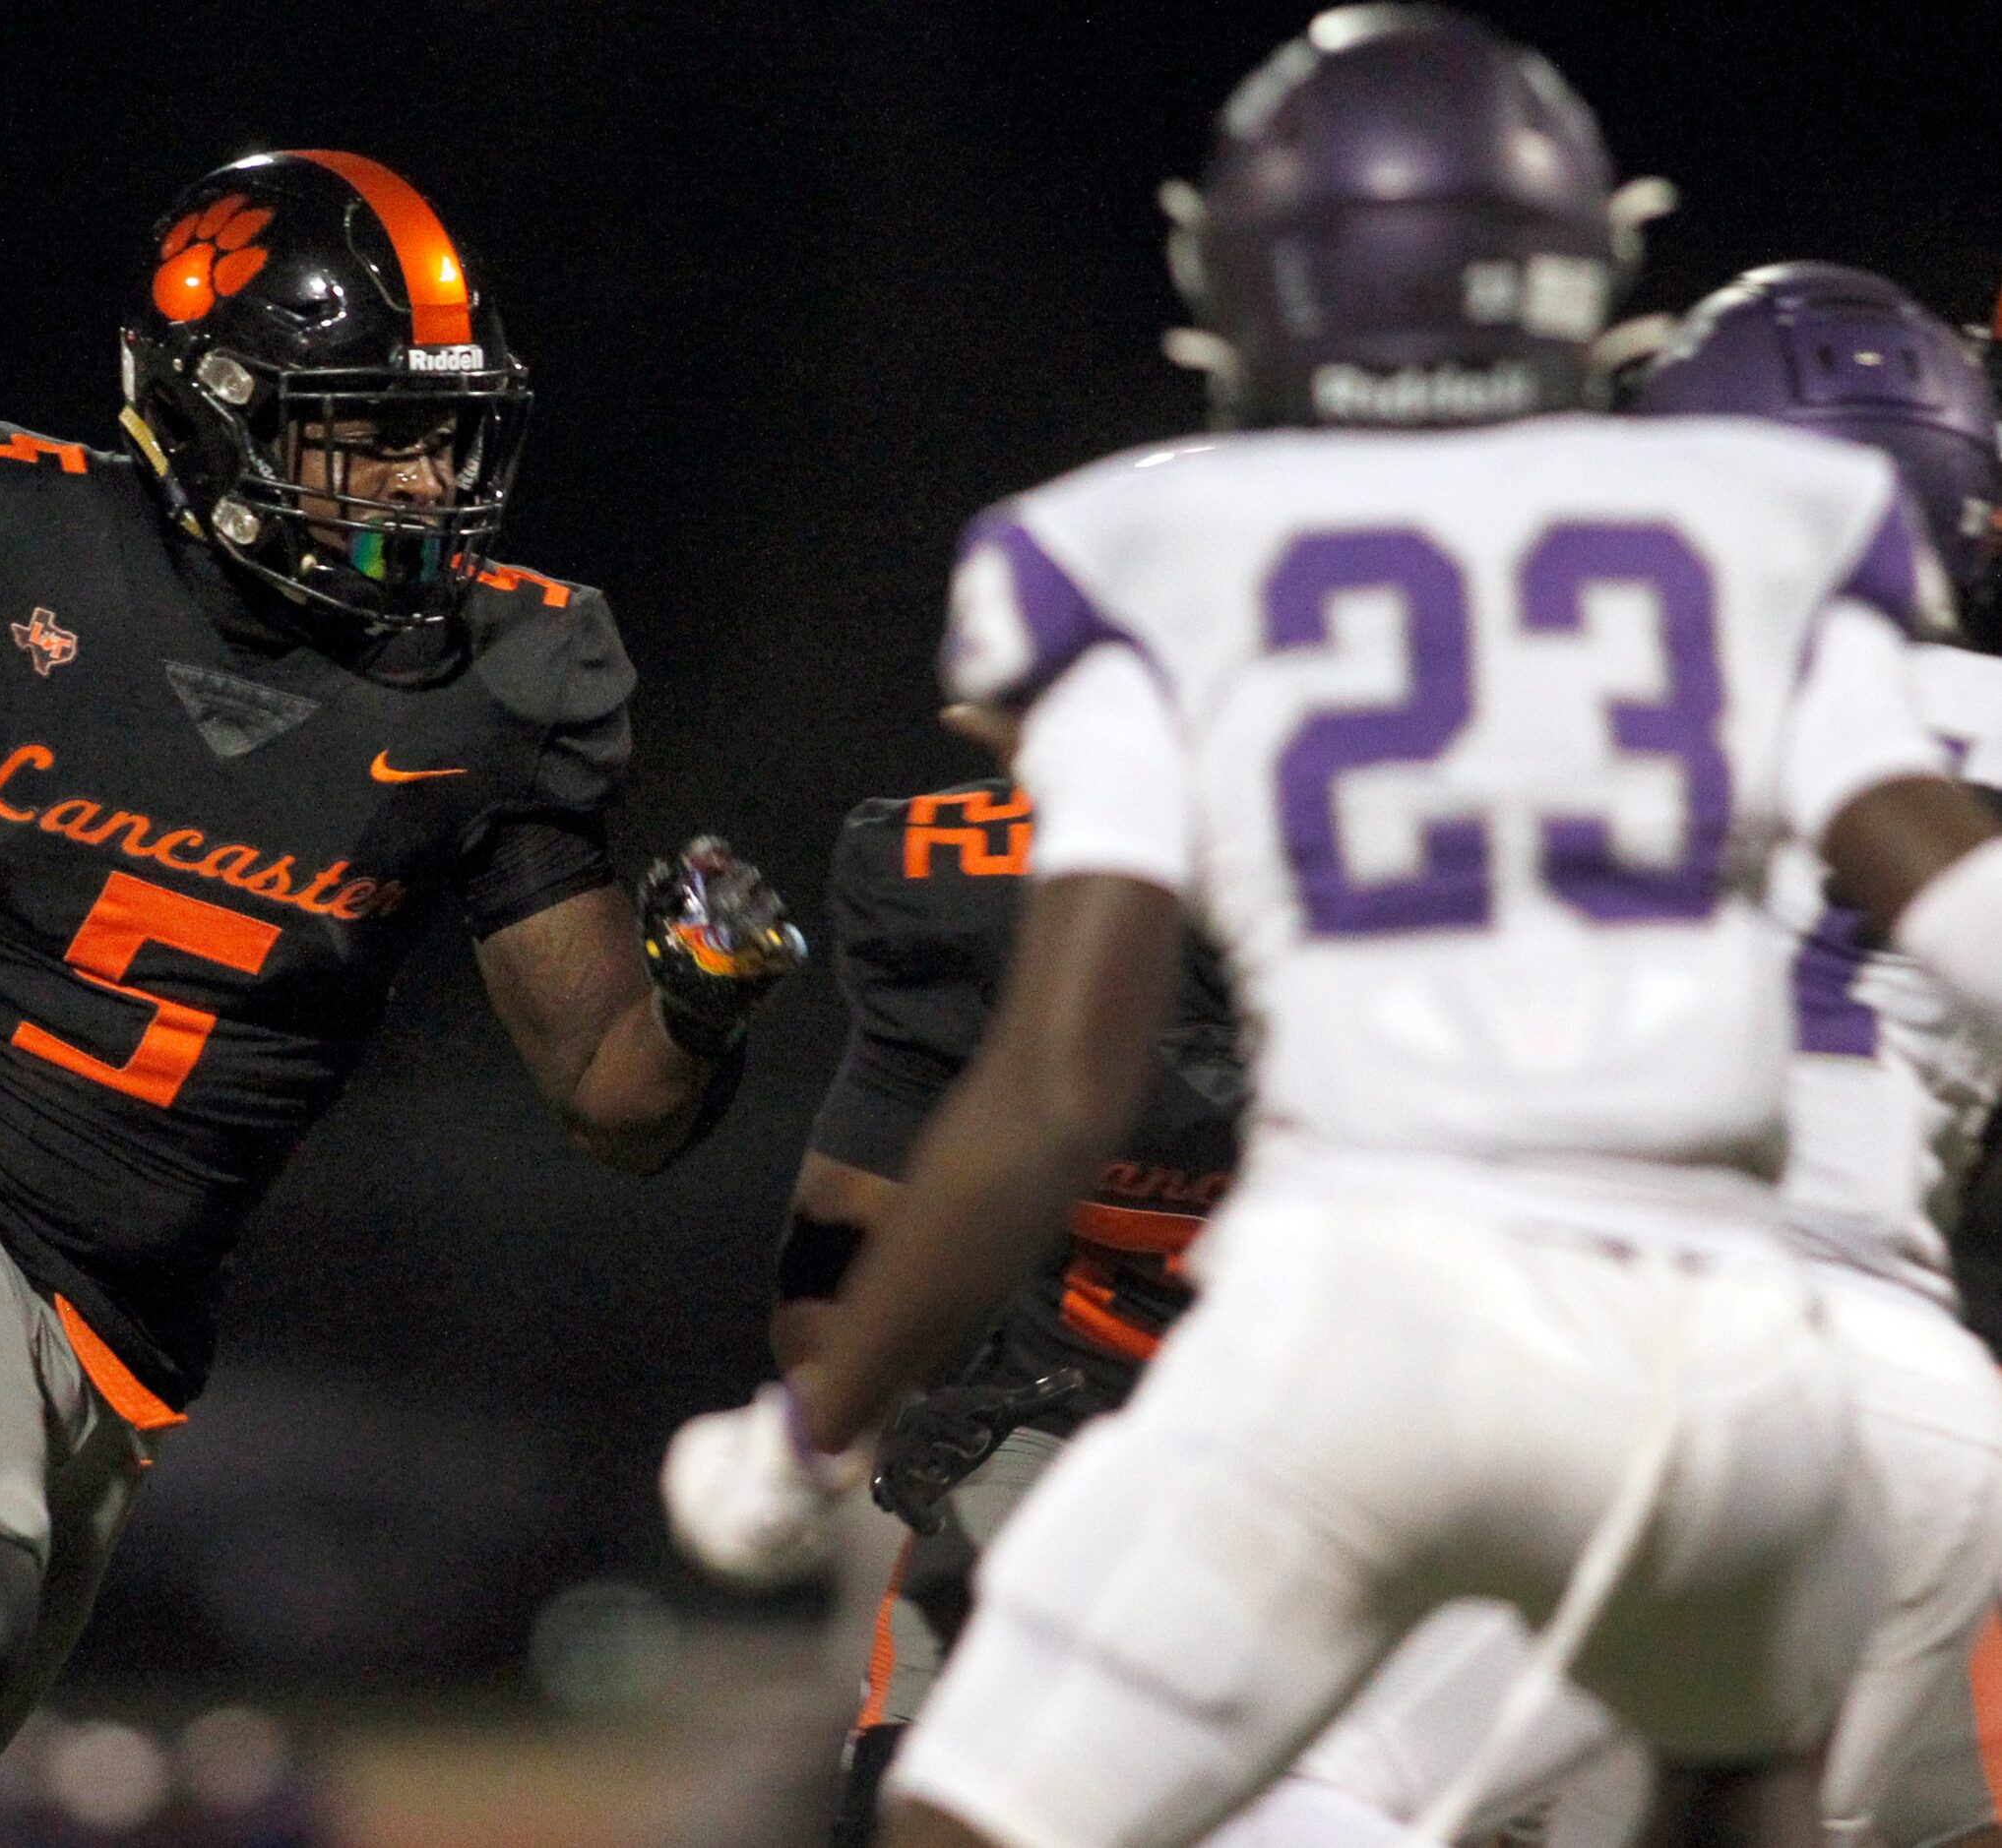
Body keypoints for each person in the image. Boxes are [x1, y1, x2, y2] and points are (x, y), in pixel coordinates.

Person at [662, 11, 2002, 1847]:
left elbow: (1055, 1090)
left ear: (1256, 286)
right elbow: (1964, 907)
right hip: (1739, 1358)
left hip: (1380, 1304)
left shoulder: (1151, 565)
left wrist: (797, 1443)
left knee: (999, 1812)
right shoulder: (1754, 535)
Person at [0, 148, 803, 1848]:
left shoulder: (504, 682)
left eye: (444, 434)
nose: (421, 481)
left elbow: (610, 1091)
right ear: (202, 412)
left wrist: (704, 1004)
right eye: (363, 433)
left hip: (117, 1341)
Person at [776, 719, 1245, 1846]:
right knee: (924, 1793)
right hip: (1072, 1397)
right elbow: (842, 1230)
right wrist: (828, 1407)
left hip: (1382, 1418)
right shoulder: (964, 894)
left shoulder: (1492, 903)